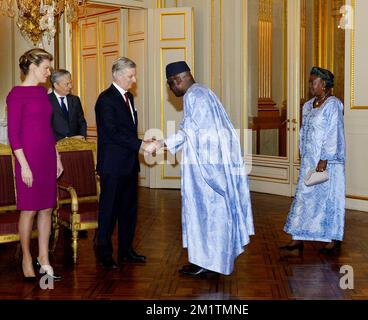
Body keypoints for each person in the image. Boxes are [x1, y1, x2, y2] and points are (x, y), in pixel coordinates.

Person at [149, 61, 254, 276]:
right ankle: (207, 260)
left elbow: (189, 131)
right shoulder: (204, 91)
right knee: (210, 214)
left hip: (206, 172)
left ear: (178, 79)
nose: (171, 90)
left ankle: (211, 262)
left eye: (170, 85)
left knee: (207, 214)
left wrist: (160, 144)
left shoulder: (194, 96)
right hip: (212, 165)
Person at [6, 48, 63, 281]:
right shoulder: (16, 94)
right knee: (28, 209)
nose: (49, 72)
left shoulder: (42, 93)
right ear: (32, 67)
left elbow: (48, 129)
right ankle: (26, 257)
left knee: (47, 208)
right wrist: (25, 166)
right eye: (45, 68)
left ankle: (44, 257)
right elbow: (14, 134)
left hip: (47, 157)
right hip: (27, 159)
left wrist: (57, 155)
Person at [281, 67, 346, 255]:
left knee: (329, 199)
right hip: (309, 161)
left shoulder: (333, 105)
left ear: (324, 84)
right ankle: (298, 238)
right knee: (303, 198)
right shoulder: (308, 105)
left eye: (313, 81)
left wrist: (324, 158)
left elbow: (334, 133)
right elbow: (303, 132)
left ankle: (332, 239)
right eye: (310, 81)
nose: (310, 85)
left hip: (328, 162)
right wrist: (304, 154)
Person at [95, 57, 151, 268]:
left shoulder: (129, 98)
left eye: (134, 75)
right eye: (130, 76)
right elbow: (113, 133)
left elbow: (126, 130)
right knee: (108, 211)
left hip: (128, 164)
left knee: (129, 210)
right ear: (118, 76)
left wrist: (139, 143)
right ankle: (105, 254)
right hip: (112, 165)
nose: (134, 80)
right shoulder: (105, 99)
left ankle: (126, 250)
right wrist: (140, 145)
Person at [49, 69, 87, 141]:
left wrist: (82, 137)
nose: (70, 86)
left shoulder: (75, 100)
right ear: (56, 85)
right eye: (67, 84)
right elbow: (46, 127)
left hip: (76, 145)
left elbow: (81, 122)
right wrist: (67, 140)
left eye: (70, 83)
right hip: (55, 146)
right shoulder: (47, 101)